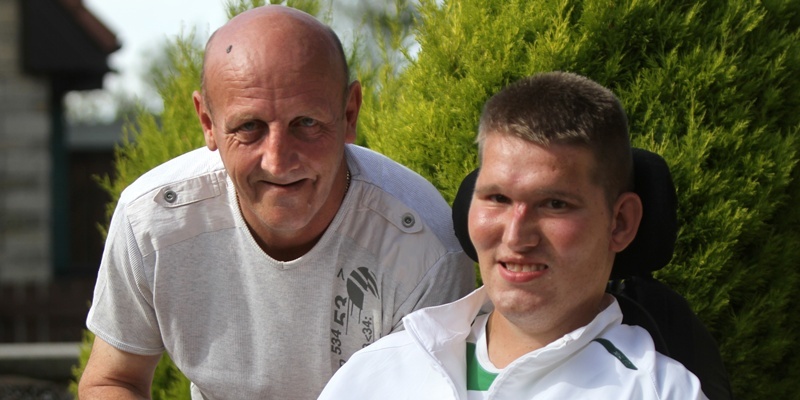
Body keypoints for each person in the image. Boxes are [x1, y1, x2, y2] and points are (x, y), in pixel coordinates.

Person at [77, 5, 474, 399]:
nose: (278, 160)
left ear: (349, 113)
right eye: (249, 127)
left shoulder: (424, 245)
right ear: (207, 123)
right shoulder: (153, 221)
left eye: (306, 123)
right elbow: (113, 380)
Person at [318, 72, 708, 399]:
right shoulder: (377, 375)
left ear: (620, 222)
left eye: (555, 203)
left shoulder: (658, 391)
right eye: (498, 198)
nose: (517, 234)